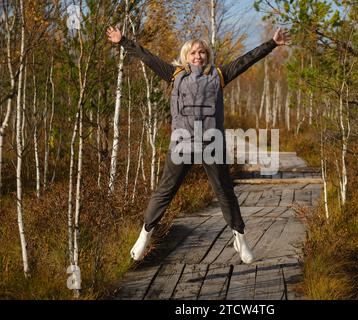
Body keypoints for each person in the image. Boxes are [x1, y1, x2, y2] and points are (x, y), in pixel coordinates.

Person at [106, 25, 290, 264]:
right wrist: (123, 41)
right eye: (193, 52)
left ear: (207, 55)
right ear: (185, 56)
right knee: (165, 192)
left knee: (224, 192)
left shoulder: (219, 75)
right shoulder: (174, 74)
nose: (198, 56)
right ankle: (145, 234)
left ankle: (240, 239)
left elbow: (246, 60)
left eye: (202, 52)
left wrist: (271, 44)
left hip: (211, 143)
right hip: (182, 144)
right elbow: (147, 57)